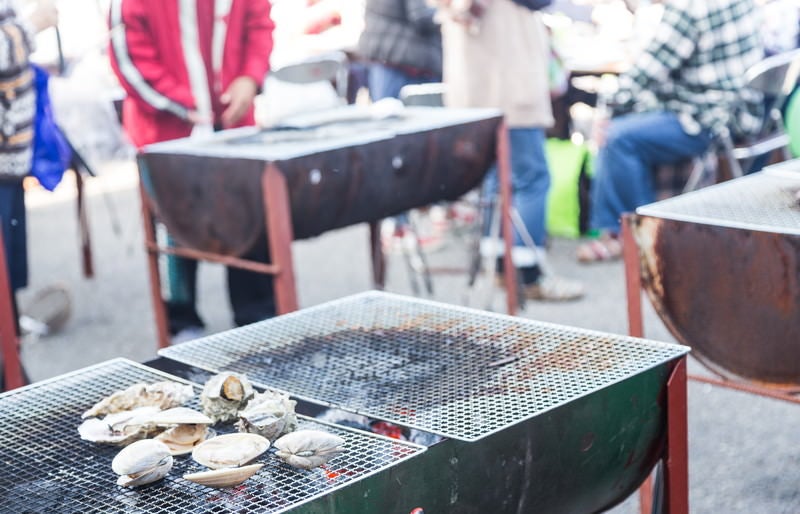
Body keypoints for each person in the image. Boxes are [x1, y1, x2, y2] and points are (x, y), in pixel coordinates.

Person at [108, 0, 276, 341]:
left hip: (234, 126)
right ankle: (182, 319)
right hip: (167, 133)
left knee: (248, 217)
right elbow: (130, 60)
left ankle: (257, 319)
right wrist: (188, 104)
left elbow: (259, 25)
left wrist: (249, 77)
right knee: (175, 227)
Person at [576, 0, 764, 263]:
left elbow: (648, 70)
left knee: (617, 137)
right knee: (630, 125)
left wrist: (606, 109)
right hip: (743, 111)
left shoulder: (688, 8)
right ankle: (637, 226)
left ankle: (633, 233)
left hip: (709, 120)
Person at [435, 0, 584, 301]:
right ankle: (527, 275)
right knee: (531, 179)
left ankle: (500, 268)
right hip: (511, 87)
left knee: (495, 181)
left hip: (475, 90)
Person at [358, 0, 442, 101]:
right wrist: (449, 12)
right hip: (408, 62)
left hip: (386, 57)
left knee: (385, 111)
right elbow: (421, 16)